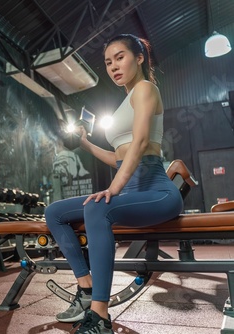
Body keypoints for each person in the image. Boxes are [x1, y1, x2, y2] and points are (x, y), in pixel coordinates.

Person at [45, 34, 183, 333]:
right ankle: (85, 288)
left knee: (97, 208)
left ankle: (100, 316)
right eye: (108, 62)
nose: (113, 66)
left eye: (120, 57)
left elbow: (143, 141)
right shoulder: (125, 101)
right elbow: (117, 157)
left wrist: (114, 189)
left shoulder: (146, 88)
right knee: (54, 212)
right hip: (130, 188)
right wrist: (84, 143)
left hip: (157, 191)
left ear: (140, 58)